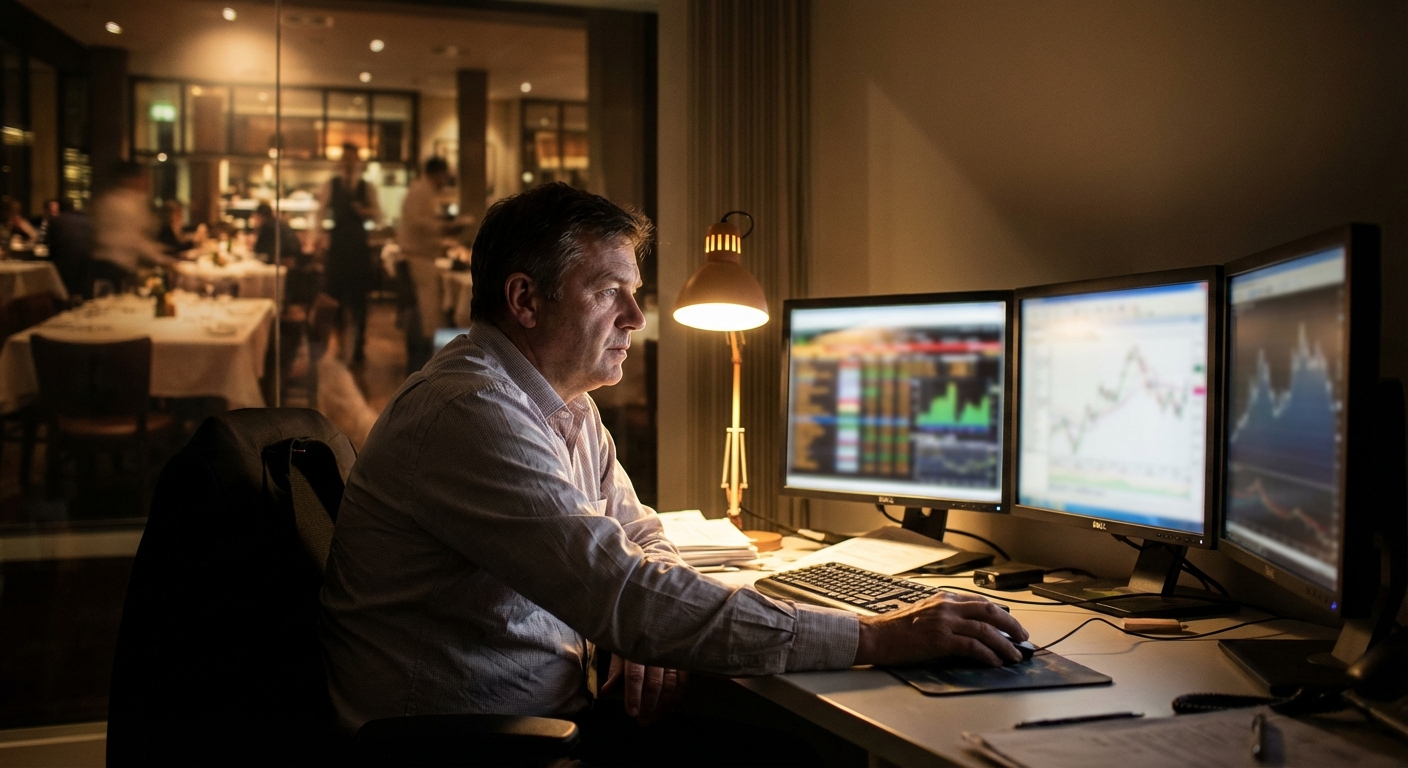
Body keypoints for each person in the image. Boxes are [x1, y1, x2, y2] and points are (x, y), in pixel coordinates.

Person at [321, 183, 1028, 765]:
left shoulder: (561, 403)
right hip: (471, 747)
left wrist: (643, 631)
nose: (635, 316)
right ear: (526, 300)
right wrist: (873, 636)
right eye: (609, 293)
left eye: (635, 292)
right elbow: (624, 590)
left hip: (550, 719)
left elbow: (638, 538)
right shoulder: (470, 412)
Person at [398, 156, 465, 363]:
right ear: (438, 173)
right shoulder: (421, 191)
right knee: (431, 315)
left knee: (432, 314)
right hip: (419, 258)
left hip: (421, 256)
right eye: (445, 176)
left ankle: (432, 362)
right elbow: (419, 224)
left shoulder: (421, 190)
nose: (446, 181)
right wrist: (446, 226)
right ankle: (434, 364)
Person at [317, 143, 380, 364]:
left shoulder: (367, 187)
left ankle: (359, 346)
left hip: (358, 247)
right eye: (346, 158)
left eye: (352, 158)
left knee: (359, 301)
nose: (349, 162)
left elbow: (379, 215)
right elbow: (319, 212)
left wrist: (366, 212)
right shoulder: (331, 185)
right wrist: (317, 238)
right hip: (338, 246)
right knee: (335, 299)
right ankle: (340, 344)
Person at [90, 162, 174, 283]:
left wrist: (161, 251)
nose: (147, 182)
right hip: (117, 266)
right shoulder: (129, 204)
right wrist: (162, 259)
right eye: (143, 177)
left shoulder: (107, 200)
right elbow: (133, 239)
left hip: (99, 263)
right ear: (129, 179)